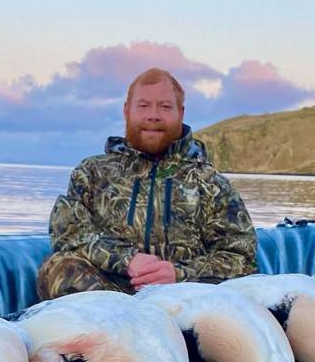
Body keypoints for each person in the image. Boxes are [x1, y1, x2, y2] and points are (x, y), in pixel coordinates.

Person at [37, 68, 257, 299]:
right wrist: (127, 259)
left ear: (181, 113)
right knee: (59, 267)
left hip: (184, 302)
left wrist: (179, 274)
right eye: (143, 106)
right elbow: (68, 233)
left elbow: (242, 258)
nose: (153, 115)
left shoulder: (212, 184)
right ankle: (122, 322)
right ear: (126, 111)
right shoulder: (91, 173)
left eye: (165, 106)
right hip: (109, 300)